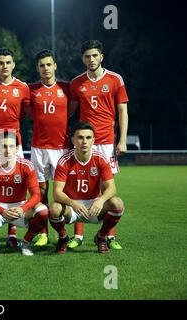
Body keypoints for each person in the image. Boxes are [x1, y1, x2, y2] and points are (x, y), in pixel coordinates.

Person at [68, 40, 129, 249]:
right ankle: (78, 236)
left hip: (106, 142)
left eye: (94, 55)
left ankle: (108, 235)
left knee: (106, 188)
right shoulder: (77, 83)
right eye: (87, 56)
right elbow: (71, 112)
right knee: (80, 185)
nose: (91, 59)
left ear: (101, 57)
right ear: (82, 58)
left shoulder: (115, 79)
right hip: (85, 140)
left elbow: (122, 111)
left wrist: (122, 139)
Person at [49, 121, 125, 254]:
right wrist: (73, 203)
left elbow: (112, 188)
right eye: (80, 137)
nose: (84, 141)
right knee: (54, 208)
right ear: (73, 140)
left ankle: (101, 237)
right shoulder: (64, 160)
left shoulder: (100, 159)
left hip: (93, 206)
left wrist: (100, 201)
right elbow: (56, 193)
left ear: (93, 140)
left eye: (88, 138)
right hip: (71, 207)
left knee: (117, 203)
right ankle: (63, 238)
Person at [0, 48, 31, 248]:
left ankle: (12, 234)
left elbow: (25, 113)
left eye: (8, 62)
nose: (4, 66)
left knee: (16, 185)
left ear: (13, 64)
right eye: (1, 62)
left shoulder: (22, 87)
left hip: (13, 143)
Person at [0, 131, 48, 256]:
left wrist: (22, 208)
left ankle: (26, 243)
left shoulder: (26, 166)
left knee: (43, 211)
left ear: (17, 148)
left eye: (11, 146)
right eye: (4, 146)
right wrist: (1, 211)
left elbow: (36, 195)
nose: (7, 150)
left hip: (19, 207)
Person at [25, 49, 70, 247]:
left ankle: (66, 233)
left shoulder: (66, 88)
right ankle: (43, 232)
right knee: (41, 191)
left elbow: (73, 111)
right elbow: (29, 112)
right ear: (38, 68)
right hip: (39, 147)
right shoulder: (31, 89)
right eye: (42, 65)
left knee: (64, 192)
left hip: (62, 147)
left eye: (49, 64)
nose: (46, 68)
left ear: (55, 65)